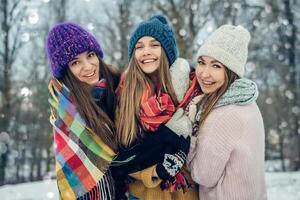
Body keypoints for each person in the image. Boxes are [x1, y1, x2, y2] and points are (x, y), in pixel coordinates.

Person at [115, 15, 199, 200]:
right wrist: (155, 171)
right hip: (144, 193)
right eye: (139, 46)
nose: (146, 51)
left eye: (154, 45)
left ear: (167, 51)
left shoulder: (188, 89)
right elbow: (122, 158)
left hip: (184, 192)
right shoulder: (125, 96)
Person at [186, 25, 267, 199]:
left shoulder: (222, 114)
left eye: (216, 66)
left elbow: (202, 175)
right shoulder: (249, 103)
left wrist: (190, 138)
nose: (204, 73)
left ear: (231, 72)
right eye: (201, 63)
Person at [46, 22, 120, 199]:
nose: (88, 66)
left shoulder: (120, 87)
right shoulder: (67, 115)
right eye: (75, 62)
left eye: (90, 55)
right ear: (66, 71)